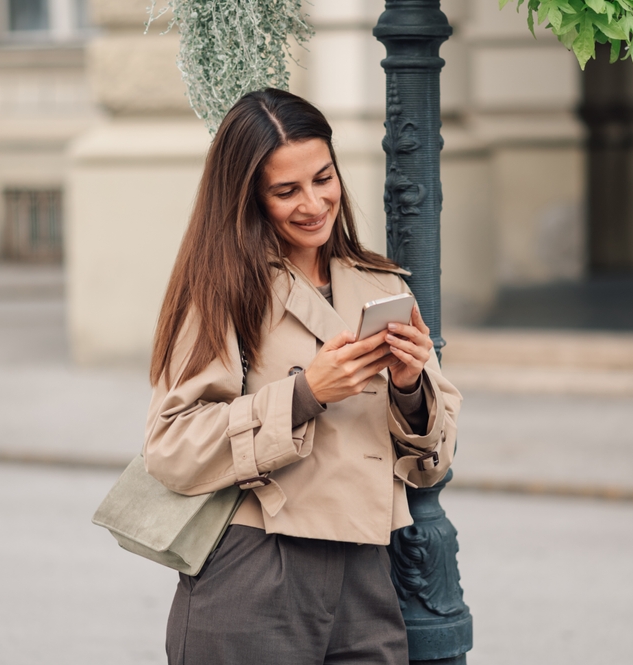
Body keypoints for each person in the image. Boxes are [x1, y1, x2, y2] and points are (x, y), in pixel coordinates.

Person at [144, 88, 460, 665]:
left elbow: (436, 457)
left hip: (367, 573)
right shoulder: (224, 289)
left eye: (323, 178)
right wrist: (306, 393)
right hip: (256, 566)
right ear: (248, 198)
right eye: (286, 191)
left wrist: (412, 387)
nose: (314, 203)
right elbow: (171, 444)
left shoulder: (381, 285)